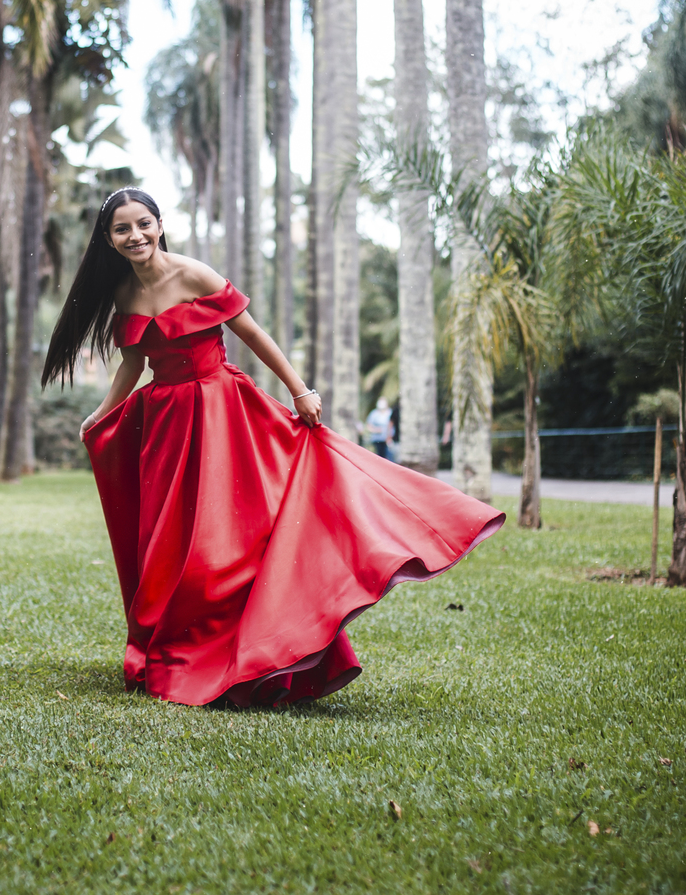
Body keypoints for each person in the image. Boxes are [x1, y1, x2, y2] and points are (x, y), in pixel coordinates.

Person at [41, 188, 504, 709]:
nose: (135, 236)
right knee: (167, 546)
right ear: (108, 238)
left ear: (160, 223)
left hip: (222, 413)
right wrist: (103, 413)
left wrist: (299, 389)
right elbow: (133, 363)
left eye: (143, 224)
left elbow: (251, 334)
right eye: (122, 229)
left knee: (225, 542)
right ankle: (178, 646)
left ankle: (256, 653)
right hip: (168, 428)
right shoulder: (124, 294)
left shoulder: (195, 274)